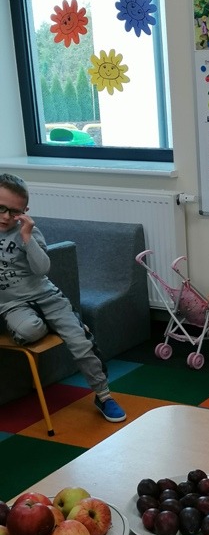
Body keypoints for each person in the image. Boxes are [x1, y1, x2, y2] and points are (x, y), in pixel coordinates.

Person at [0, 173, 126, 423]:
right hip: (12, 305)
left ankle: (104, 395)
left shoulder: (29, 233)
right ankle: (48, 324)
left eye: (13, 212)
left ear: (24, 212)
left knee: (80, 344)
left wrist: (27, 237)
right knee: (29, 331)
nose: (5, 216)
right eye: (0, 208)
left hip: (47, 297)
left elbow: (42, 268)